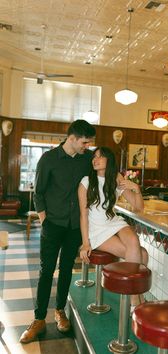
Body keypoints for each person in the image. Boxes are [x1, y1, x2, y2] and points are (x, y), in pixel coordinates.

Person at [19, 120, 96, 344]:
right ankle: (39, 319)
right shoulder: (49, 159)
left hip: (74, 226)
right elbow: (39, 192)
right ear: (72, 138)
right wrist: (44, 220)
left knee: (65, 270)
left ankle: (60, 311)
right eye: (84, 141)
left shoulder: (87, 159)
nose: (87, 145)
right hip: (53, 224)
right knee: (46, 270)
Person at [79, 147, 148, 310]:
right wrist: (85, 243)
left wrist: (135, 188)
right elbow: (83, 215)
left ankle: (135, 296)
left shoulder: (116, 178)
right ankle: (135, 300)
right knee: (142, 254)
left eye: (100, 157)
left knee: (133, 239)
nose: (95, 160)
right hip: (96, 229)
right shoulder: (86, 182)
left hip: (113, 222)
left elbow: (138, 207)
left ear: (109, 160)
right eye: (94, 157)